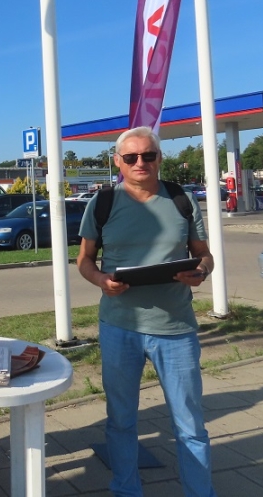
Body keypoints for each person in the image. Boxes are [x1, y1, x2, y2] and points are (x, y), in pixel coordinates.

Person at [76, 127, 217, 497]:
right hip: (119, 326)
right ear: (118, 162)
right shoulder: (103, 202)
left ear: (159, 158)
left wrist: (201, 271)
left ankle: (200, 492)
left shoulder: (181, 199)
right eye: (131, 157)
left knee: (190, 424)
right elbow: (85, 260)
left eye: (148, 155)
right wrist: (101, 280)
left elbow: (204, 254)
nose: (140, 162)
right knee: (121, 421)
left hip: (175, 328)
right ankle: (126, 490)